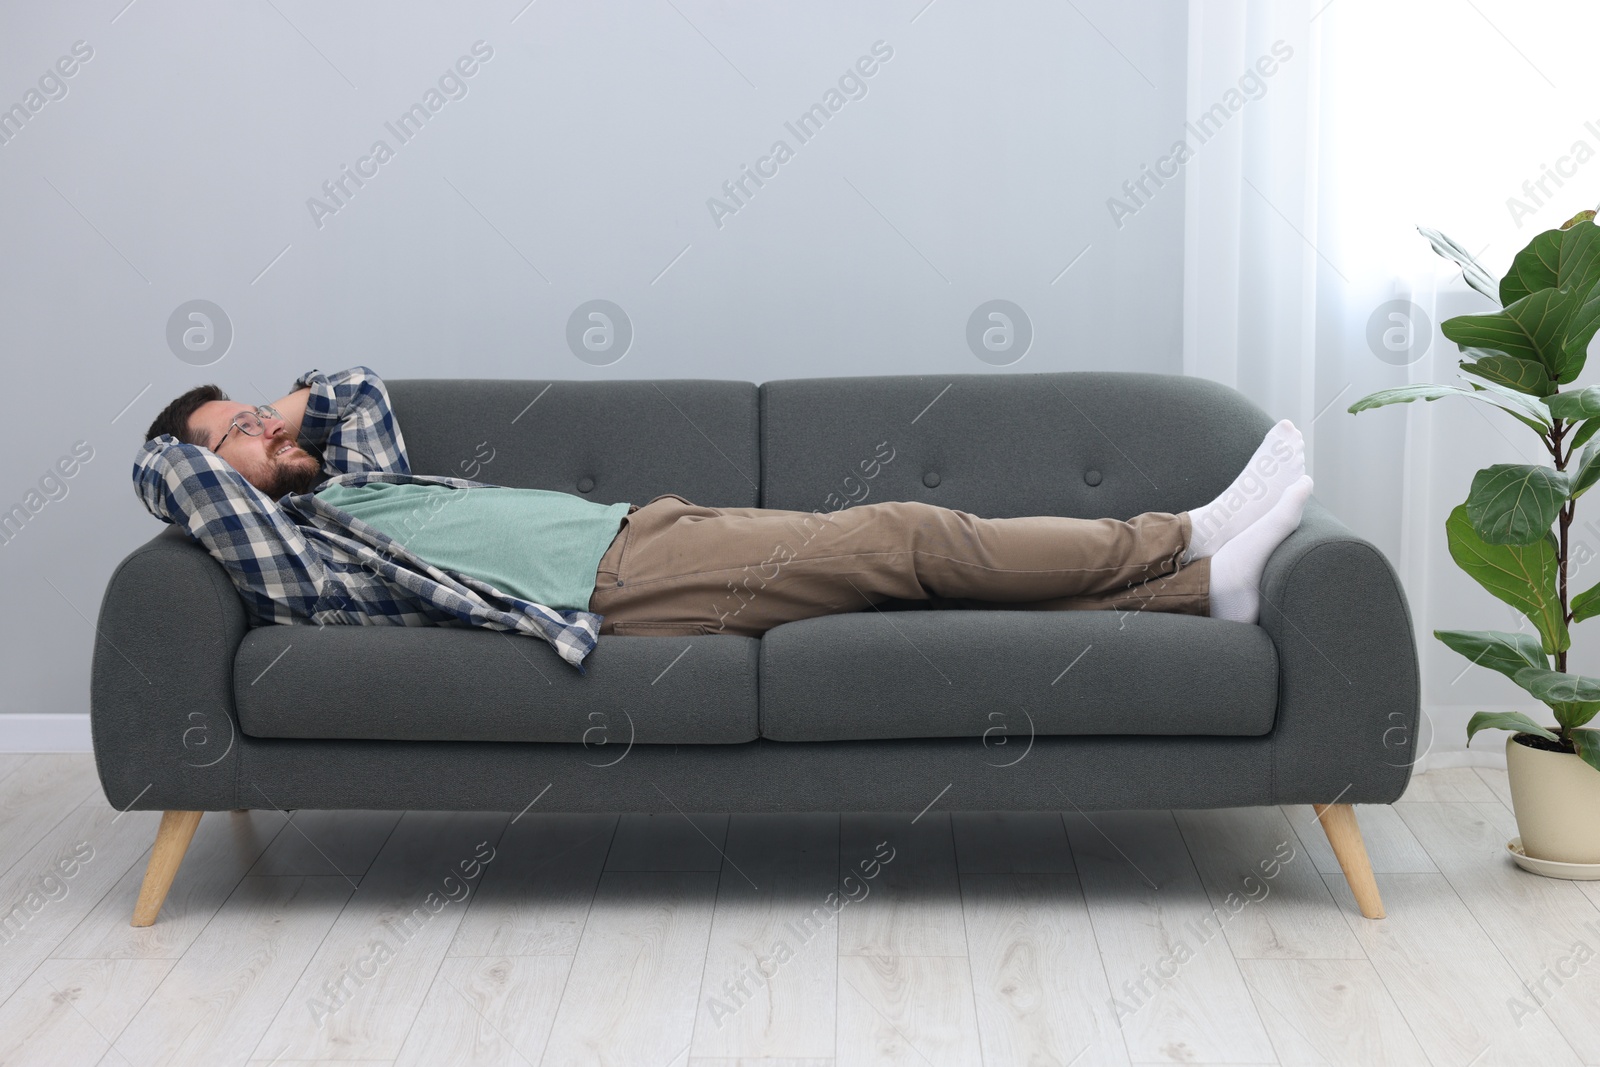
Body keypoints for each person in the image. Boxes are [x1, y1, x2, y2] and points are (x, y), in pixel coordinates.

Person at [134, 365, 1310, 674]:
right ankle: (1180, 533)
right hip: (619, 589)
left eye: (260, 415)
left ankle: (1203, 592)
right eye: (240, 432)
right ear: (218, 477)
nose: (269, 432)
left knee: (905, 555)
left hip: (646, 527)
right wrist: (213, 445)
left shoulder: (349, 482)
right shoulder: (295, 548)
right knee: (906, 534)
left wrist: (280, 414)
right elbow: (173, 477)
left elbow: (350, 388)